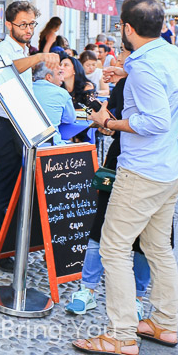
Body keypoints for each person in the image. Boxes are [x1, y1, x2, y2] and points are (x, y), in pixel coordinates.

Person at [75, 0, 178, 355]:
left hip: (143, 171)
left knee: (113, 248)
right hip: (170, 168)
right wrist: (128, 72)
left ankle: (121, 335)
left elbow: (154, 122)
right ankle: (165, 323)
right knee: (157, 248)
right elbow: (167, 93)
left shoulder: (144, 67)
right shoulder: (174, 56)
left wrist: (108, 122)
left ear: (127, 28)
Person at [65, 50, 151, 321]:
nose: (120, 58)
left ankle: (137, 296)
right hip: (118, 161)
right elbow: (111, 120)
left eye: (125, 54)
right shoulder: (124, 84)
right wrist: (107, 124)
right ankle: (87, 289)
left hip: (151, 166)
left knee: (143, 234)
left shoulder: (161, 84)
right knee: (100, 223)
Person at [0, 1, 60, 271]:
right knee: (4, 188)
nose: (28, 29)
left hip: (21, 123)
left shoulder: (22, 48)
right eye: (23, 24)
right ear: (8, 24)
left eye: (31, 24)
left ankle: (4, 243)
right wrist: (38, 57)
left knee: (17, 188)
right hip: (7, 125)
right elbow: (7, 71)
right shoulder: (4, 49)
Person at [31, 63, 75, 145]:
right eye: (59, 74)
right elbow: (70, 119)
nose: (62, 79)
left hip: (26, 145)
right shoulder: (62, 93)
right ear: (49, 77)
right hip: (51, 145)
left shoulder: (26, 89)